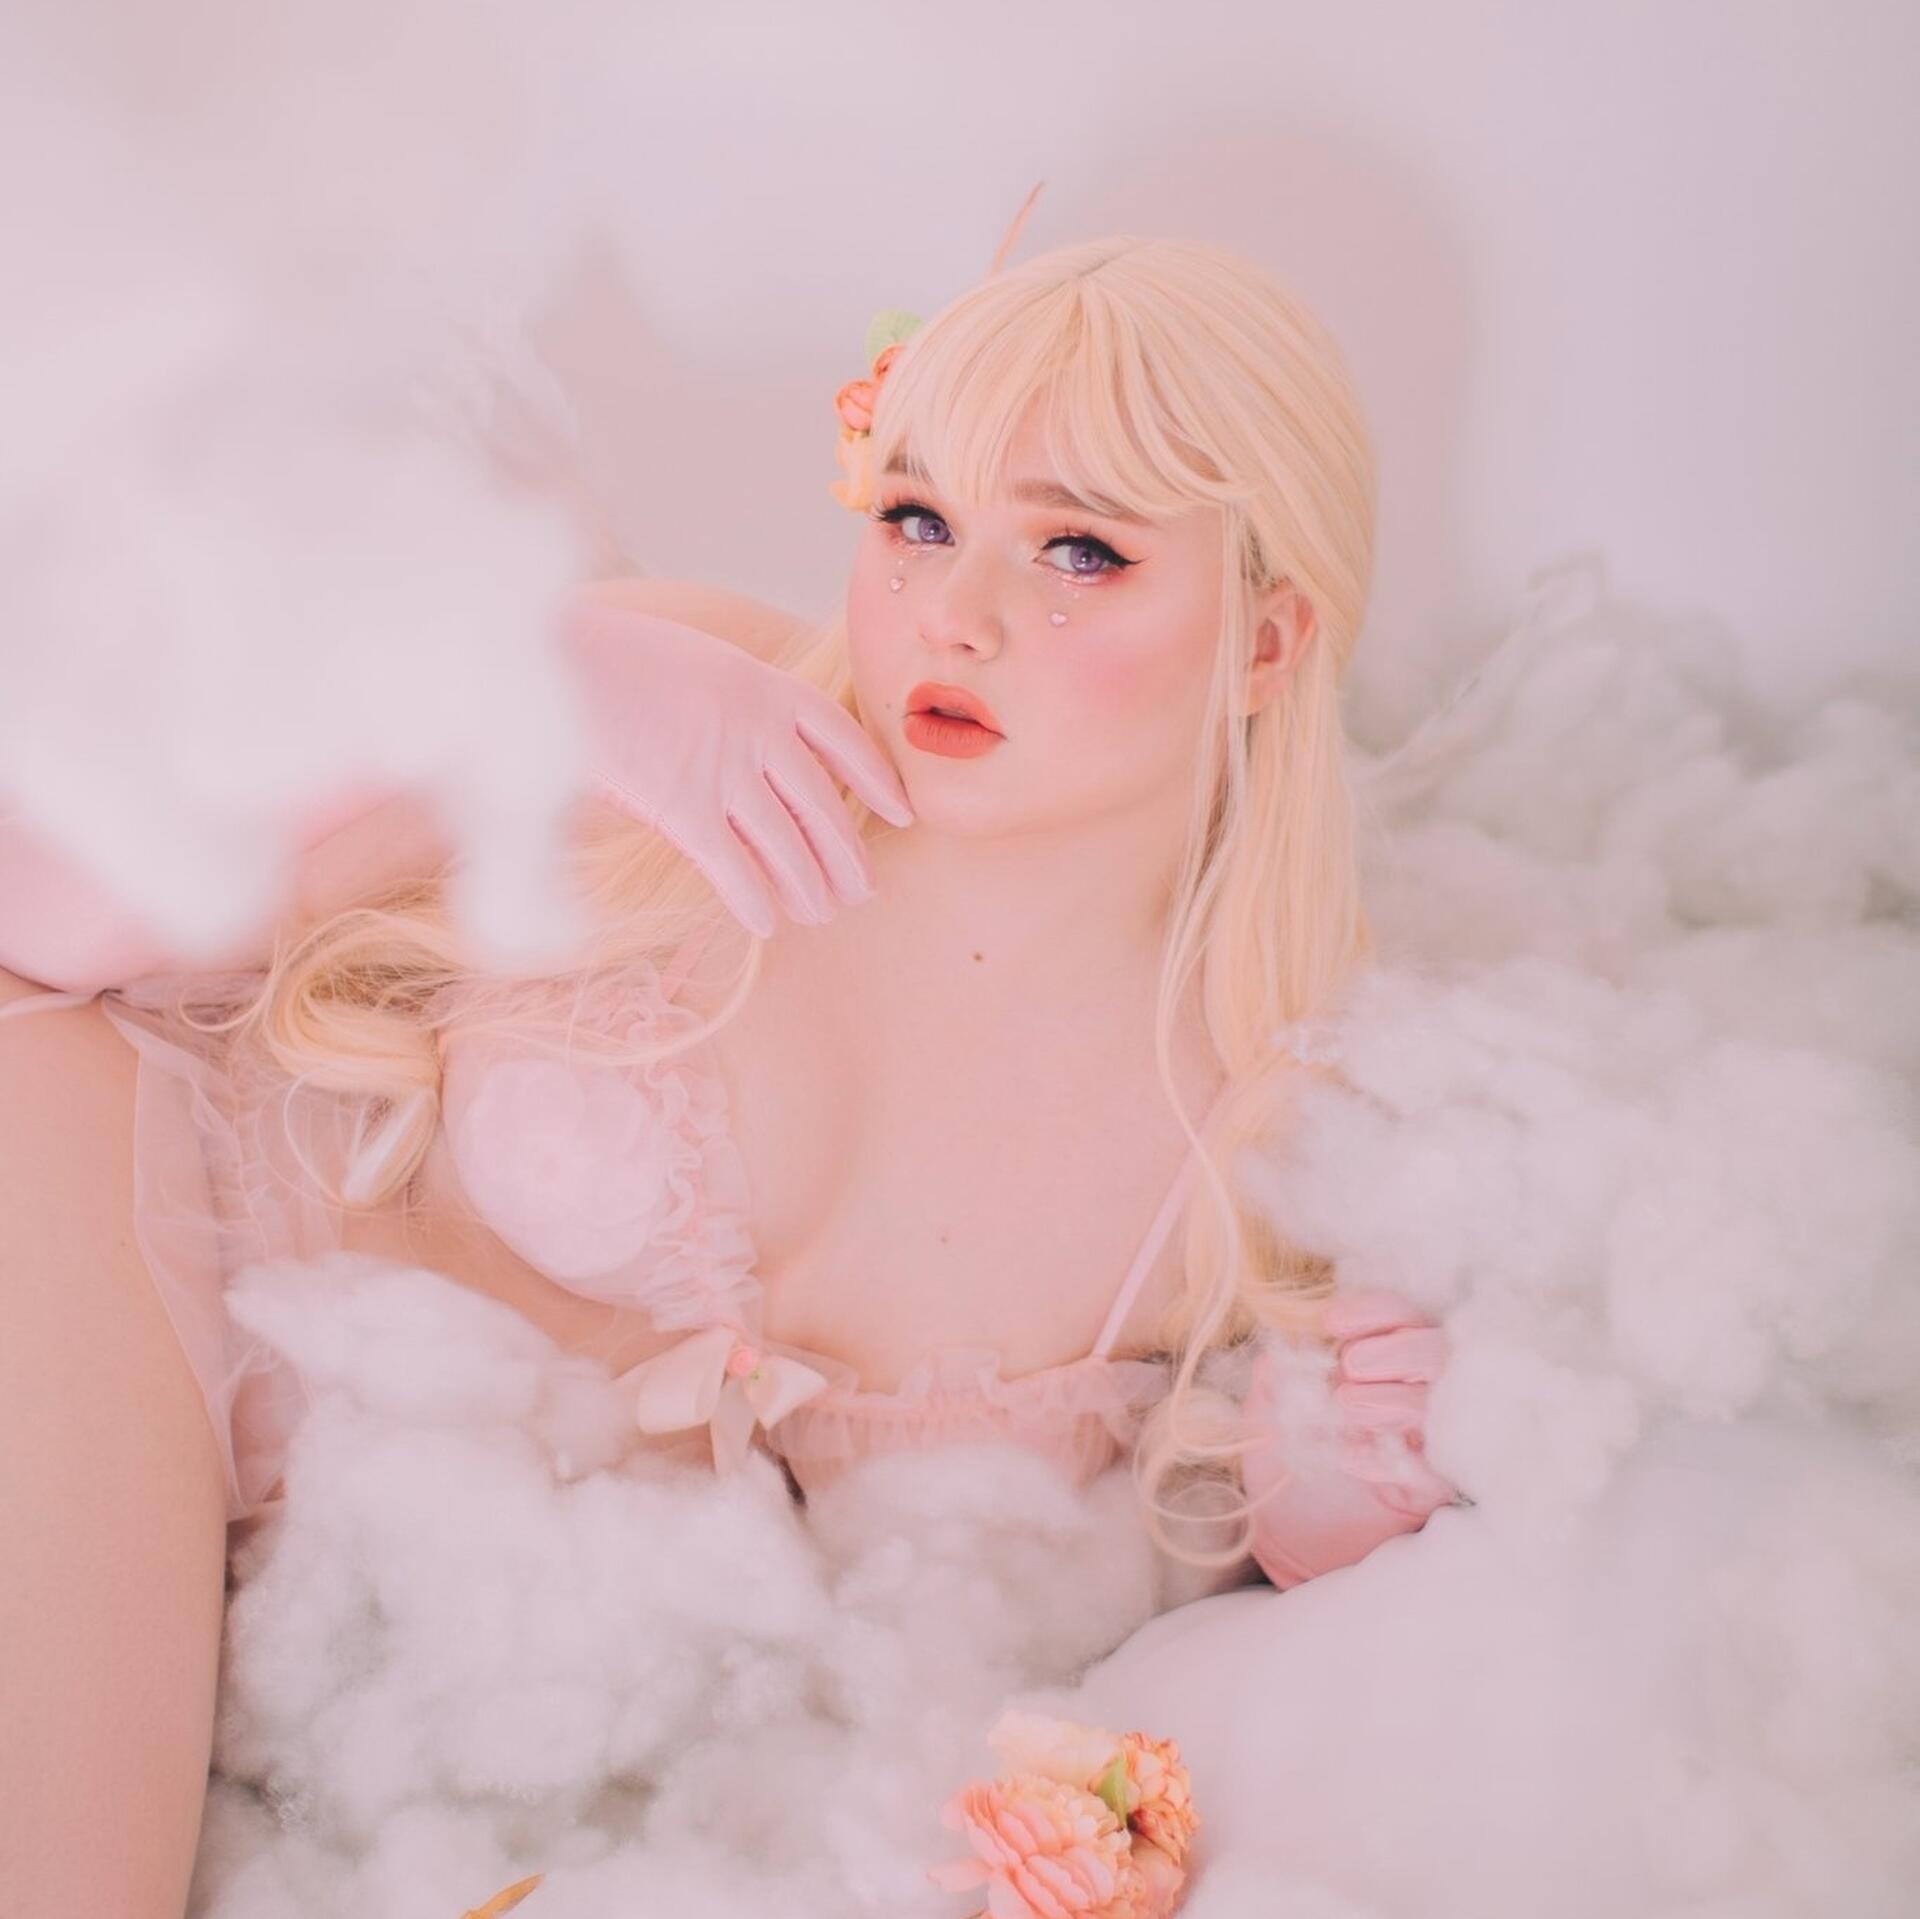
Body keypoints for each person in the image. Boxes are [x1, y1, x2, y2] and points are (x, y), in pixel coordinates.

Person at [0, 226, 1459, 1915]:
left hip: (424, 1632)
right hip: (134, 1216)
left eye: (1079, 550)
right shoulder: (711, 708)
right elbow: (36, 908)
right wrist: (533, 688)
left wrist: (1310, 1509)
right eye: (916, 520)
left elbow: (1121, 1578)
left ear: (1269, 644)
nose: (955, 615)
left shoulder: (1267, 1120)